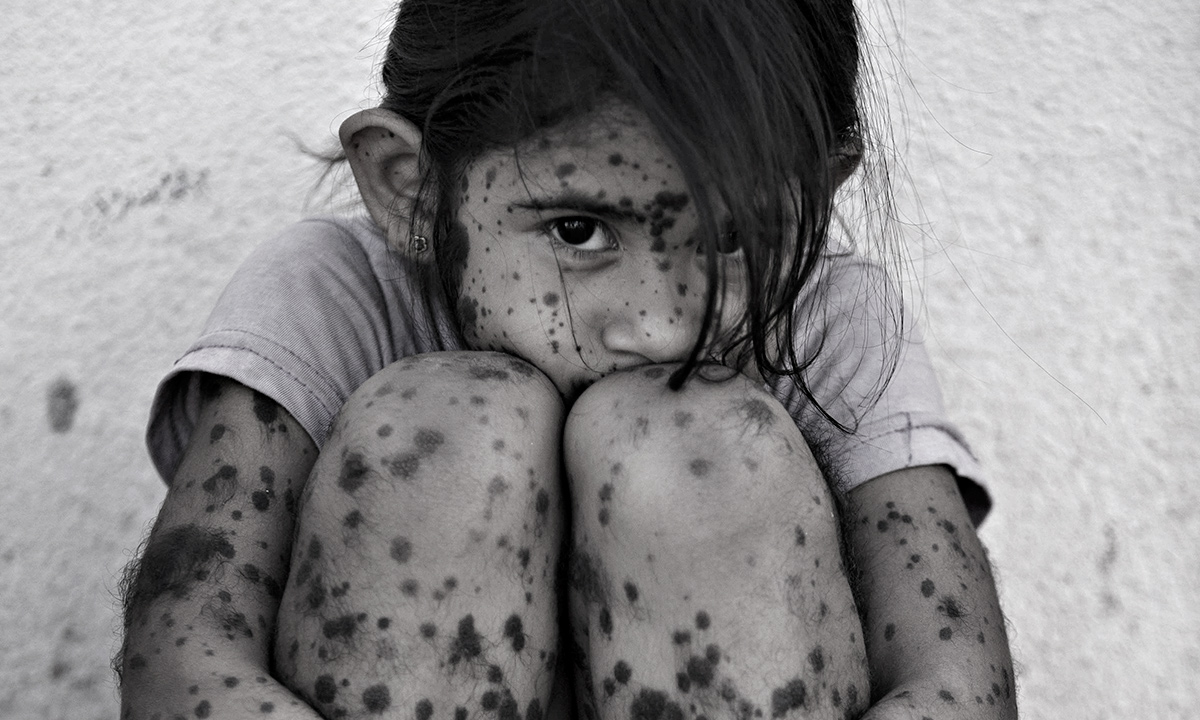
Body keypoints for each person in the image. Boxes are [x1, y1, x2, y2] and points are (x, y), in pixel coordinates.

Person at [116, 1, 1016, 719]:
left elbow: (958, 680)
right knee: (451, 431)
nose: (662, 328)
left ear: (814, 197)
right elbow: (181, 659)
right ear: (411, 187)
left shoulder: (832, 316)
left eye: (738, 235)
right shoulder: (333, 292)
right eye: (579, 230)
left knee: (692, 450)